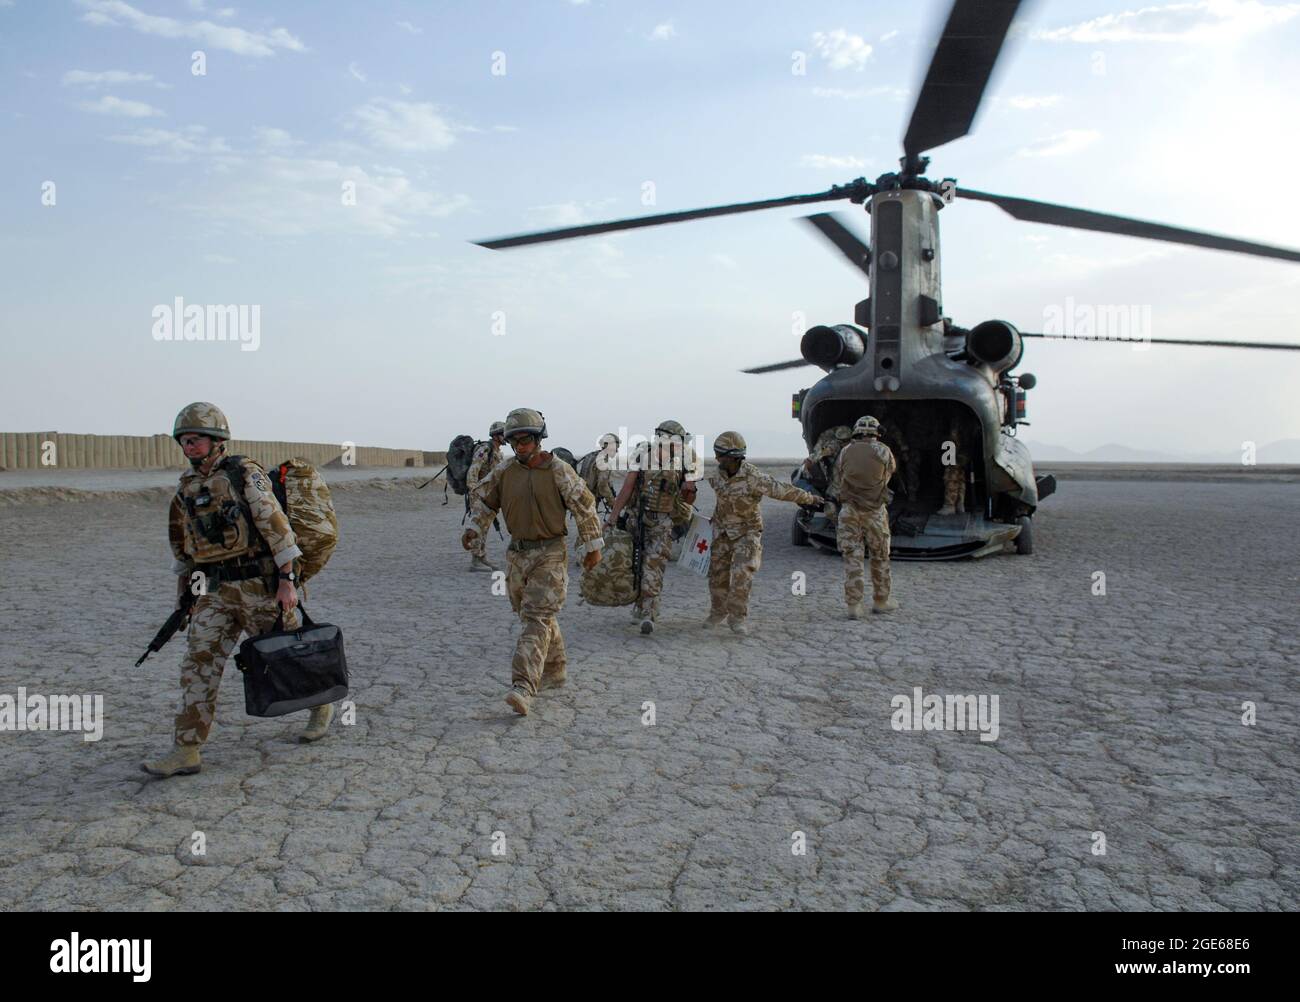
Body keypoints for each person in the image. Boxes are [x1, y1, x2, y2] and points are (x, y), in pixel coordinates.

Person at [142, 403, 331, 778]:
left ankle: (320, 704)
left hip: (259, 587)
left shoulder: (245, 473)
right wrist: (187, 597)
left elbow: (277, 527)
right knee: (198, 665)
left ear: (216, 441)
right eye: (184, 441)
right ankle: (187, 748)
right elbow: (184, 547)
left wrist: (286, 582)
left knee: (287, 657)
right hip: (214, 591)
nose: (188, 446)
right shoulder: (186, 487)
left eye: (195, 440)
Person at [462, 408, 603, 716]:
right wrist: (474, 528)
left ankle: (523, 686)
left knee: (536, 617)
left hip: (551, 552)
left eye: (526, 439)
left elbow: (584, 505)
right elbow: (485, 500)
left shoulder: (558, 469)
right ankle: (556, 669)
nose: (521, 446)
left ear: (539, 438)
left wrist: (593, 544)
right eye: (515, 441)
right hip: (517, 554)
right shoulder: (505, 471)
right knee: (534, 615)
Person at [706, 432, 822, 635]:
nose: (716, 458)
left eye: (720, 455)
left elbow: (782, 490)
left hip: (747, 532)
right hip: (722, 532)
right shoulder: (716, 476)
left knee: (742, 574)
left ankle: (737, 618)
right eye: (716, 454)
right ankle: (718, 612)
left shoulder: (753, 477)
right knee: (716, 575)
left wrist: (809, 498)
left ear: (734, 456)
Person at [606, 420, 698, 635]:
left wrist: (689, 489)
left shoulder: (685, 461)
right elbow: (627, 487)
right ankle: (640, 606)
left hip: (662, 523)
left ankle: (649, 614)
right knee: (635, 565)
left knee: (653, 567)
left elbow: (688, 500)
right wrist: (613, 516)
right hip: (636, 519)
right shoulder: (642, 455)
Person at [831, 415, 898, 619]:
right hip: (875, 512)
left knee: (852, 557)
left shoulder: (845, 451)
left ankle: (853, 606)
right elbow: (890, 472)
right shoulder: (883, 451)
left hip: (849, 511)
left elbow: (839, 475)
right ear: (876, 433)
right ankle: (881, 601)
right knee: (880, 556)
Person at [465, 420, 506, 571]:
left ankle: (481, 556)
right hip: (479, 495)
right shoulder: (485, 449)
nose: (505, 436)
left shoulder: (497, 452)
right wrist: (474, 492)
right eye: (503, 433)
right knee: (477, 526)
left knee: (484, 527)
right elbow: (473, 470)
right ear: (496, 435)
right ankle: (475, 562)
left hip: (490, 497)